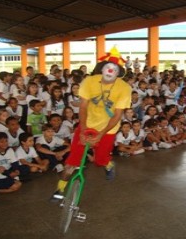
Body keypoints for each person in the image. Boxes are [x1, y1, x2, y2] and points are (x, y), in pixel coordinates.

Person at [54, 47, 132, 199]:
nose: (111, 71)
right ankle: (60, 190)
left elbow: (117, 115)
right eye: (108, 67)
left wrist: (101, 134)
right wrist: (83, 130)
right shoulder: (89, 81)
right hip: (87, 124)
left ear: (119, 72)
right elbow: (82, 107)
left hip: (108, 129)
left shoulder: (124, 88)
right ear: (102, 69)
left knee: (99, 160)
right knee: (72, 161)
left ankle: (108, 164)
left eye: (115, 69)